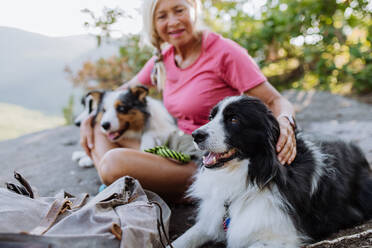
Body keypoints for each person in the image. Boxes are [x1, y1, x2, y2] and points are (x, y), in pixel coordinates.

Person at [80, 0, 297, 202]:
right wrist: (89, 118)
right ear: (154, 25)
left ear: (193, 8)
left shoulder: (225, 53)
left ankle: (117, 184)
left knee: (112, 163)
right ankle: (118, 185)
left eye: (179, 10)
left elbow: (275, 100)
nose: (173, 22)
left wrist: (285, 122)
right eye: (162, 16)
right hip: (176, 145)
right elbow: (119, 93)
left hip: (211, 158)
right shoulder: (163, 58)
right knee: (100, 127)